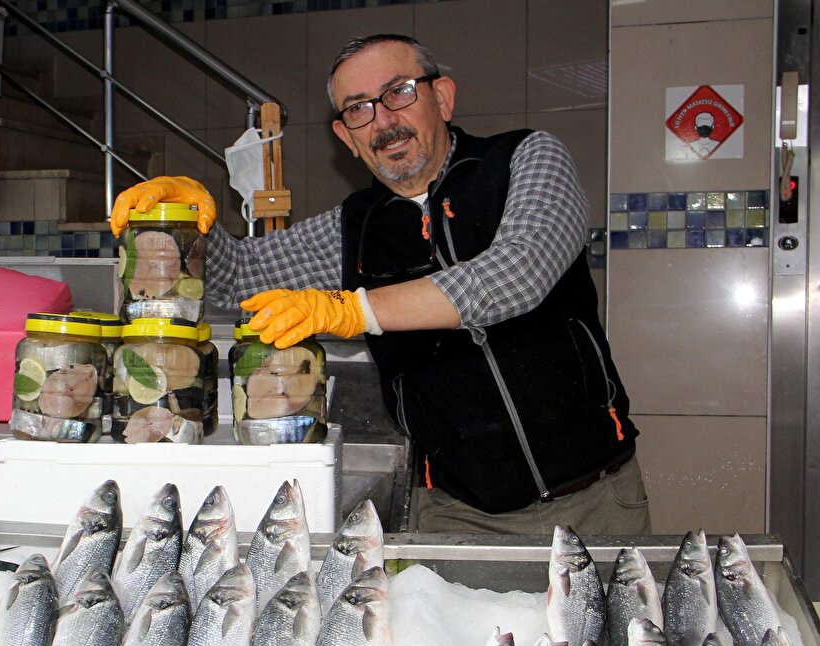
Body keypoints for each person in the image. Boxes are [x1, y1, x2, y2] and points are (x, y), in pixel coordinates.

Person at [110, 33, 651, 536]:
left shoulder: (524, 161)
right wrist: (181, 223)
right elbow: (237, 277)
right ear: (346, 137)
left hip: (596, 502)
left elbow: (518, 275)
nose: (383, 120)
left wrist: (352, 310)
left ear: (442, 97)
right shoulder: (353, 228)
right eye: (359, 108)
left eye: (398, 93)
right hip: (456, 513)